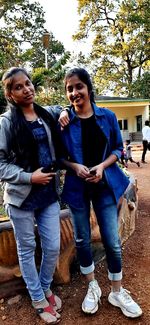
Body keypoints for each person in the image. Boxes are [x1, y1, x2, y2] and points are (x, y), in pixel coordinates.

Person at [58, 68, 142, 318]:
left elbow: (118, 148)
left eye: (79, 86)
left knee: (112, 242)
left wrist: (102, 167)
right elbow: (60, 157)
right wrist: (75, 166)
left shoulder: (108, 116)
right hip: (77, 187)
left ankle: (116, 291)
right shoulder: (64, 122)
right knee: (82, 239)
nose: (75, 92)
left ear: (89, 88)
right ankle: (92, 286)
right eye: (69, 89)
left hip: (104, 185)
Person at [0, 67, 62, 324]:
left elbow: (61, 109)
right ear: (10, 94)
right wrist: (28, 177)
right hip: (21, 197)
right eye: (18, 87)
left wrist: (66, 111)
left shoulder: (45, 114)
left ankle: (45, 286)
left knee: (52, 246)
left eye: (28, 83)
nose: (26, 89)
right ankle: (37, 297)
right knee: (27, 249)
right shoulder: (6, 122)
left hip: (47, 192)